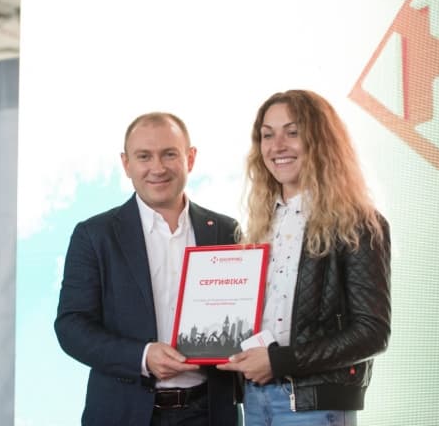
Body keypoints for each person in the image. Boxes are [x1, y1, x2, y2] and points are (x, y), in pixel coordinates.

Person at [54, 112, 241, 426]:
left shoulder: (225, 231)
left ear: (190, 158)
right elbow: (71, 327)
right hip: (124, 414)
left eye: (169, 154)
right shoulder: (95, 235)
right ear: (126, 164)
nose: (158, 168)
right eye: (144, 156)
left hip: (208, 413)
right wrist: (142, 356)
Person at [218, 90, 391, 425]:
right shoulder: (258, 228)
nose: (277, 146)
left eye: (293, 132)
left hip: (314, 405)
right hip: (254, 400)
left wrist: (279, 362)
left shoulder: (358, 224)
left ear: (321, 141)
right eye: (267, 135)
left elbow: (372, 332)